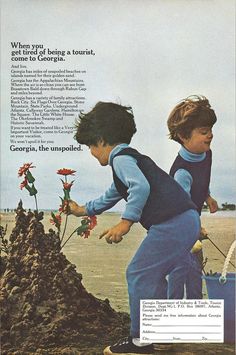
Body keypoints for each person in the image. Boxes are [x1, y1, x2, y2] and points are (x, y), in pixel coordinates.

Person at [66, 102, 200, 354]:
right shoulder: (132, 159)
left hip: (172, 223)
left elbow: (139, 187)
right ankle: (160, 334)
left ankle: (141, 340)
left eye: (91, 146)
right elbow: (112, 195)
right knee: (154, 275)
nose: (92, 153)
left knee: (138, 272)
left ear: (102, 140)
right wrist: (81, 210)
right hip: (186, 219)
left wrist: (126, 222)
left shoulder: (120, 159)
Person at [167, 95, 218, 299]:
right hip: (177, 227)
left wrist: (207, 196)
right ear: (183, 136)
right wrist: (195, 228)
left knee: (196, 271)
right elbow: (180, 208)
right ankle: (173, 312)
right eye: (204, 132)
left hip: (192, 225)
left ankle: (195, 309)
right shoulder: (181, 172)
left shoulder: (206, 154)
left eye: (211, 130)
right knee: (179, 272)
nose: (210, 136)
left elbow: (202, 178)